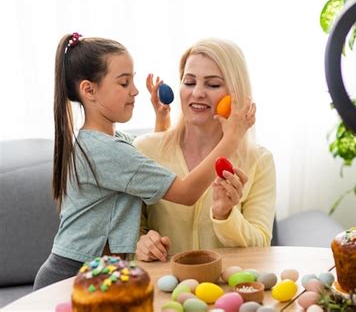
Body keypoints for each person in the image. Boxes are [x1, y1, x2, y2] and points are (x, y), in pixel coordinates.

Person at [33, 33, 255, 290]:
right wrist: (232, 139)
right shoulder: (106, 151)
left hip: (94, 272)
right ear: (89, 90)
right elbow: (186, 192)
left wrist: (162, 122)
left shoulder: (105, 142)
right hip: (72, 275)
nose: (135, 90)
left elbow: (144, 160)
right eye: (124, 83)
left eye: (133, 80)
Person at [134, 38, 276, 262]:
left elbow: (261, 246)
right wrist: (141, 244)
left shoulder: (259, 160)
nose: (197, 93)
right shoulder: (145, 149)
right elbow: (129, 233)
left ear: (235, 94)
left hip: (228, 290)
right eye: (189, 82)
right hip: (164, 290)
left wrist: (226, 215)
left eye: (212, 85)